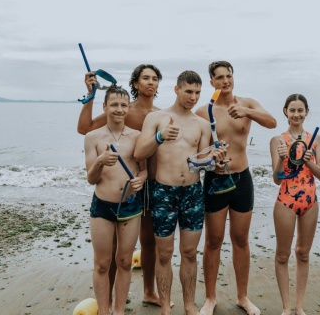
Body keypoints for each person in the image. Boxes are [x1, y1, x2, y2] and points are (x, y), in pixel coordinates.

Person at [135, 70, 226, 315]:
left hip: (193, 193)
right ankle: (165, 306)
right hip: (163, 192)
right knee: (164, 253)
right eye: (188, 91)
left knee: (189, 253)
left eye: (197, 93)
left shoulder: (202, 124)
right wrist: (160, 136)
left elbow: (201, 162)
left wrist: (215, 159)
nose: (193, 97)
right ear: (176, 89)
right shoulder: (156, 118)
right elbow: (139, 152)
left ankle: (188, 306)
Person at [77, 64, 165, 307]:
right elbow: (85, 129)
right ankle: (107, 303)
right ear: (135, 83)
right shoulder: (123, 110)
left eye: (155, 78)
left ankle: (148, 292)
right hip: (114, 192)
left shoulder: (160, 114)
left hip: (148, 184)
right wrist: (91, 96)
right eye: (145, 78)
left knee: (147, 242)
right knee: (110, 252)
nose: (151, 82)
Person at [195, 61, 277, 315]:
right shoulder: (203, 112)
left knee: (241, 240)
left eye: (228, 76)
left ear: (233, 77)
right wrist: (211, 163)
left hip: (242, 179)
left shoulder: (247, 103)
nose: (225, 81)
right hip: (216, 180)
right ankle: (210, 299)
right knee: (213, 241)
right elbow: (197, 152)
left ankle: (243, 297)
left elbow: (272, 122)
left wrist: (246, 111)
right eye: (219, 77)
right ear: (212, 83)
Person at [84, 85, 147, 315]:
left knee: (124, 261)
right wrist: (100, 161)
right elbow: (91, 179)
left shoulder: (137, 136)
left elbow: (144, 170)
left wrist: (141, 180)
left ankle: (119, 310)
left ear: (128, 107)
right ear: (104, 107)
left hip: (130, 205)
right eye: (114, 105)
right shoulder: (92, 137)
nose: (119, 109)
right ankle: (104, 310)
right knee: (102, 264)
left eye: (123, 105)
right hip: (102, 205)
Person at [270, 94, 320, 315]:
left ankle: (299, 306)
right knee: (282, 255)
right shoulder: (278, 140)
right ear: (285, 111)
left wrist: (309, 161)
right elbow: (277, 179)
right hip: (286, 200)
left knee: (303, 253)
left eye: (300, 110)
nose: (296, 114)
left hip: (310, 201)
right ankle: (286, 306)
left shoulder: (315, 139)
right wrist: (280, 158)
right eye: (292, 110)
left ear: (306, 112)